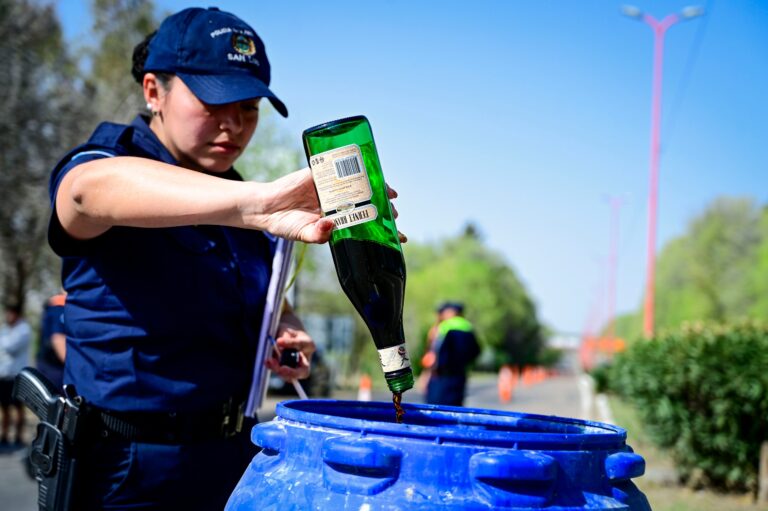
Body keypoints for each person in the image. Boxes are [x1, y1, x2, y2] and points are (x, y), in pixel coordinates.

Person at [45, 6, 402, 510]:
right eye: (214, 101)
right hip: (126, 469)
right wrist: (257, 204)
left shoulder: (238, 198)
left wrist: (284, 329)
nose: (234, 124)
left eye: (249, 107)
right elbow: (83, 194)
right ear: (153, 91)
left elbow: (261, 298)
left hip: (231, 458)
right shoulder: (113, 162)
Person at [423, 302, 481, 407]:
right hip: (460, 375)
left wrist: (428, 373)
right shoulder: (467, 326)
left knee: (436, 408)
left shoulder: (443, 327)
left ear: (451, 312)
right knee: (455, 407)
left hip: (442, 376)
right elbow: (476, 351)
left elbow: (435, 353)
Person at [0, 303, 31, 447]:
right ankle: (5, 435)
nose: (8, 316)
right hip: (4, 374)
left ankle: (19, 436)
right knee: (4, 407)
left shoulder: (23, 329)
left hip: (17, 375)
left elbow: (10, 347)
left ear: (17, 314)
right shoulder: (6, 329)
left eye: (10, 313)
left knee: (18, 407)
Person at [35, 292, 67, 389]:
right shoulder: (60, 307)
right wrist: (76, 369)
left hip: (47, 364)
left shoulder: (53, 306)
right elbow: (58, 339)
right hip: (55, 368)